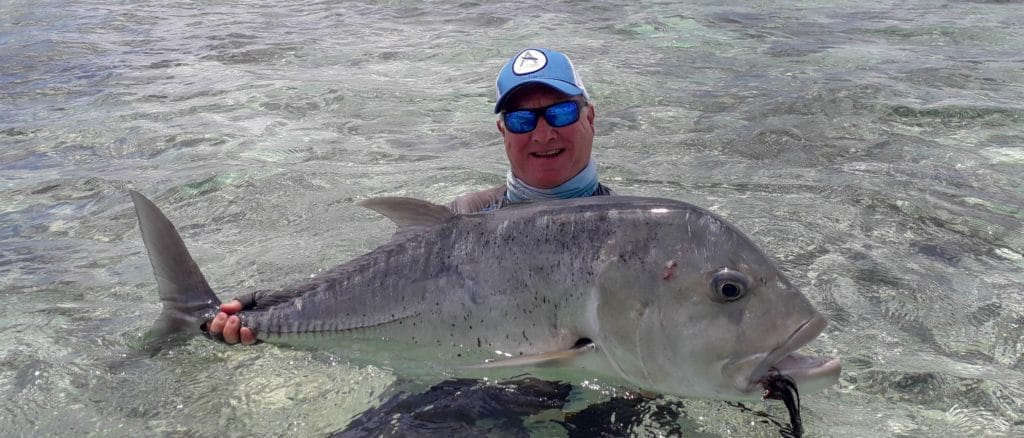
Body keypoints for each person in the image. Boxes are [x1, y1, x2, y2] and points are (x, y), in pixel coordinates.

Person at [208, 47, 613, 345]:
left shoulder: (632, 234)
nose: (543, 133)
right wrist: (268, 307)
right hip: (457, 387)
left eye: (560, 113)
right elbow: (372, 294)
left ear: (590, 117)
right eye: (522, 119)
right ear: (503, 132)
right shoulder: (466, 217)